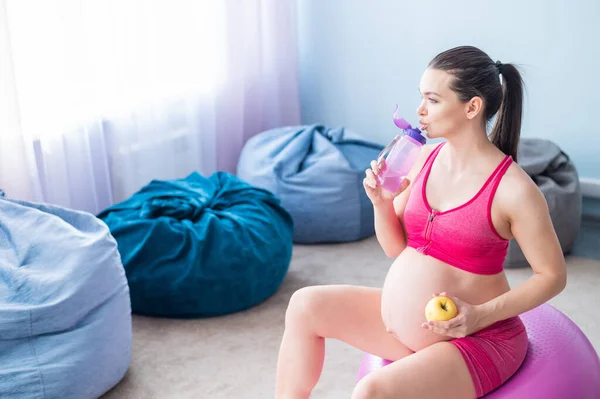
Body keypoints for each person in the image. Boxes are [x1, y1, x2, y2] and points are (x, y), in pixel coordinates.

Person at [274, 45, 567, 399]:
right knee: (305, 304)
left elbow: (552, 276)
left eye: (433, 99)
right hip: (414, 331)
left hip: (477, 340)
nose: (420, 110)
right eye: (421, 97)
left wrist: (479, 316)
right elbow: (395, 247)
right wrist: (381, 204)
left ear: (472, 107)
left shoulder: (514, 189)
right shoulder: (422, 158)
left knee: (371, 392)